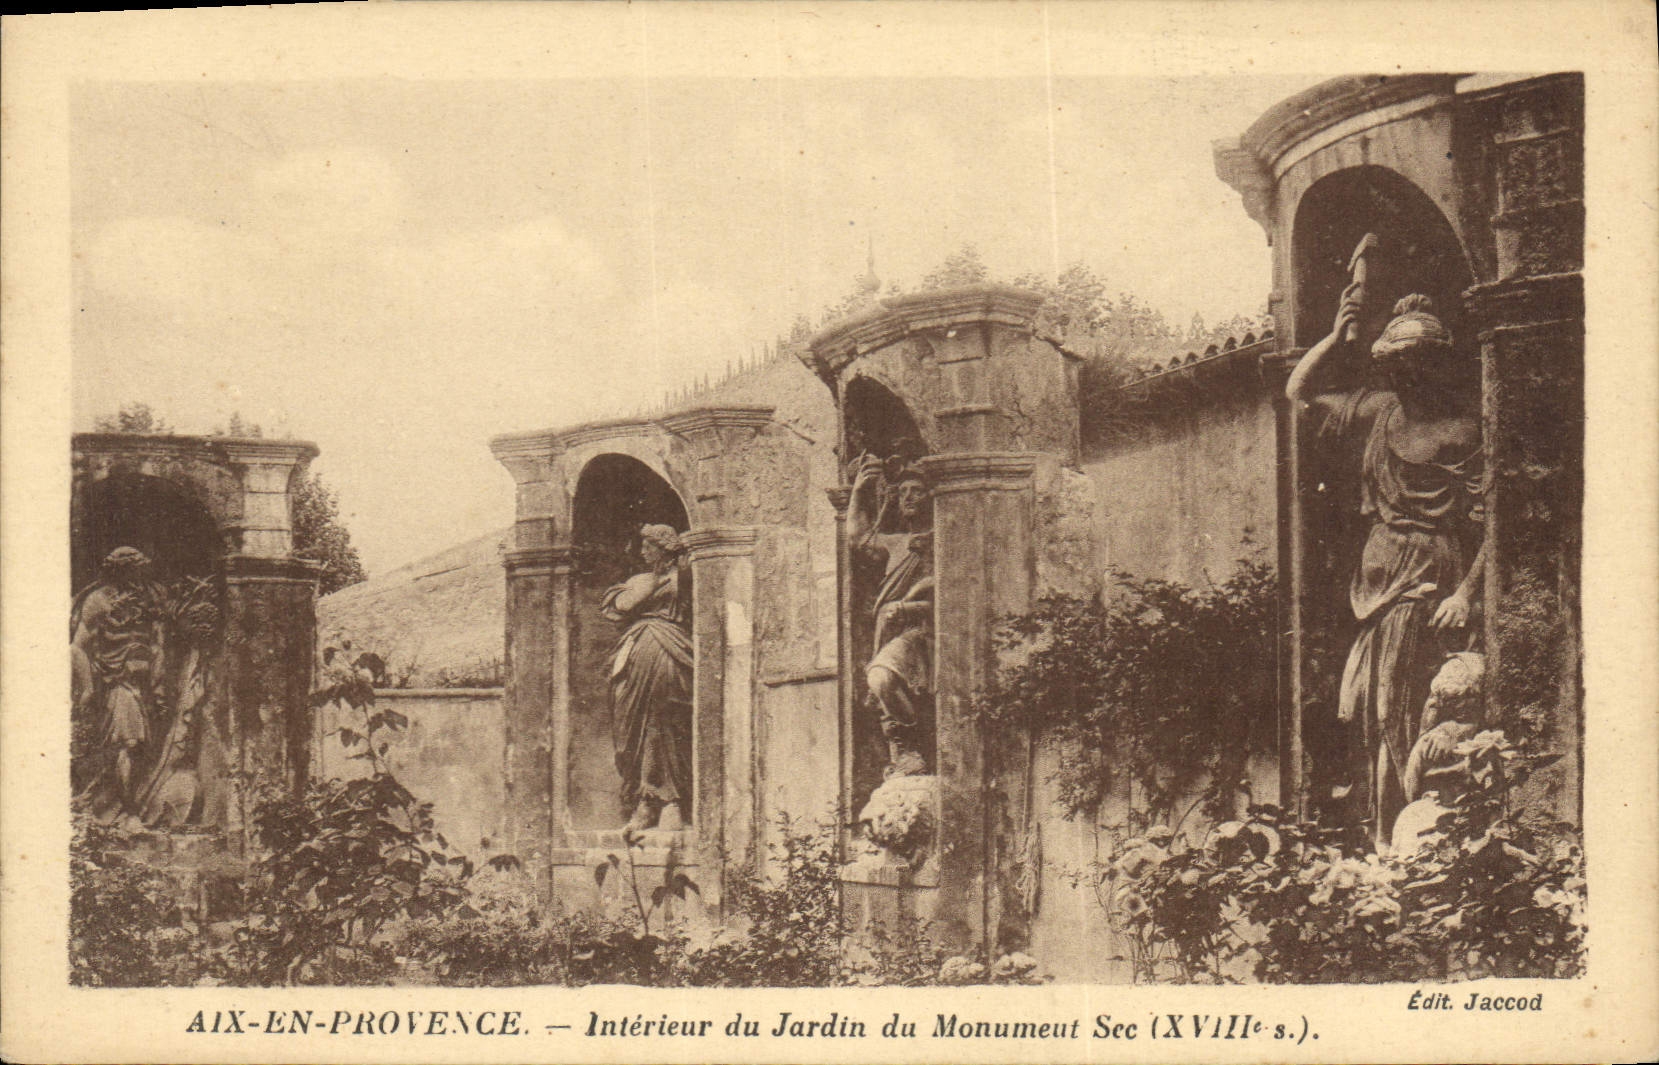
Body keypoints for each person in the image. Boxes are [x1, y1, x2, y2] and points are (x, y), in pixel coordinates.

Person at [1286, 289, 1488, 847]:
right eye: (1397, 365)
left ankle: (1400, 832)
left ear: (1439, 363)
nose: (1407, 376)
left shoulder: (1462, 431)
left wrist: (1466, 595)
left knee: (1399, 704)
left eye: (1419, 363)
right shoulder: (1378, 412)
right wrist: (1334, 335)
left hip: (1428, 573)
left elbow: (1497, 520)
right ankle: (1378, 829)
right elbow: (1298, 393)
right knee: (1369, 711)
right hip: (1373, 582)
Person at [602, 524, 693, 831]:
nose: (642, 552)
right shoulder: (642, 580)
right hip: (635, 655)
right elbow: (619, 606)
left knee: (663, 723)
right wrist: (649, 585)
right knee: (629, 725)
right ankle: (643, 798)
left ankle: (665, 801)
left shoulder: (685, 577)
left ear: (663, 549)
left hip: (671, 651)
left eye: (648, 547)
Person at [849, 452, 934, 778]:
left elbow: (956, 596)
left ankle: (913, 745)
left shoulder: (945, 539)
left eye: (916, 490)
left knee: (881, 678)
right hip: (891, 631)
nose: (908, 497)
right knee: (880, 681)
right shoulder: (896, 544)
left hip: (926, 633)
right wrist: (858, 492)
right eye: (901, 492)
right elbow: (857, 539)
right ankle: (906, 749)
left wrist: (909, 607)